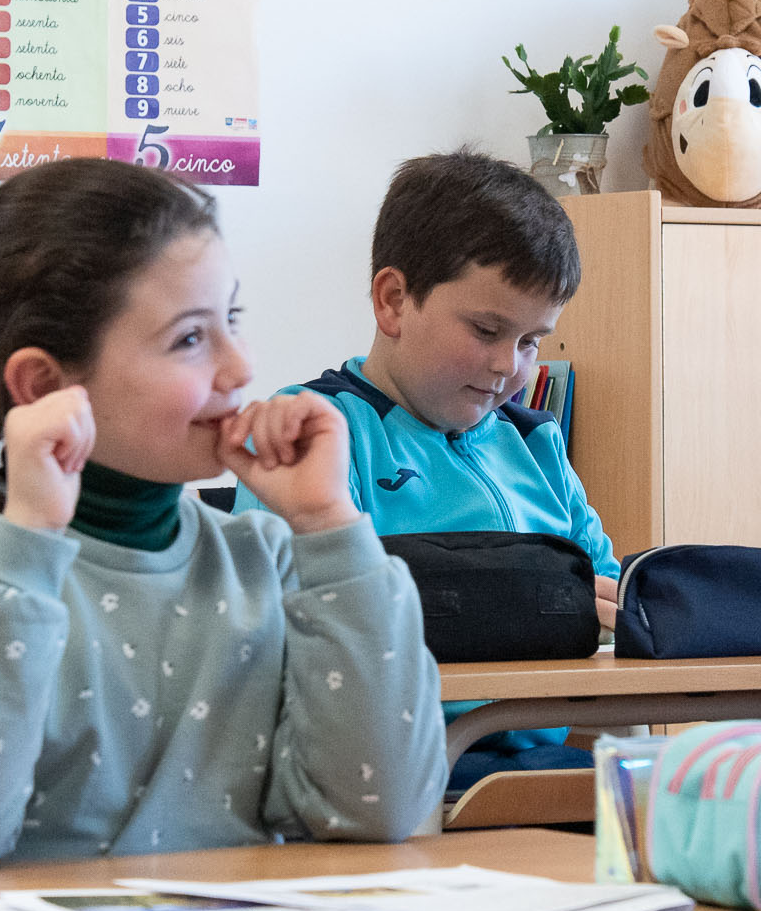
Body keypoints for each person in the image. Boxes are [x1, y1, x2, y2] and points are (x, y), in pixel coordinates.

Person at [0, 157, 441, 870]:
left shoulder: (264, 556)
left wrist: (332, 527)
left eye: (230, 318)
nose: (240, 366)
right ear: (45, 385)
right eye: (190, 338)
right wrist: (27, 543)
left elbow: (378, 808)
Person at [238, 149, 614, 793]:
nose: (508, 367)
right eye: (487, 329)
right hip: (389, 770)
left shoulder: (535, 444)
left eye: (531, 341)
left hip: (537, 765)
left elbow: (607, 598)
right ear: (393, 301)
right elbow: (284, 622)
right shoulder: (318, 434)